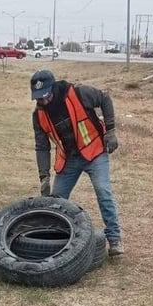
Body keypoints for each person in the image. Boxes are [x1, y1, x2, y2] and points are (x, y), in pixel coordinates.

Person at [30, 69, 123, 255]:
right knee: (56, 200)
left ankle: (114, 238)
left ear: (53, 88)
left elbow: (104, 98)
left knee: (103, 191)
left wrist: (111, 130)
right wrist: (44, 176)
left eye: (45, 96)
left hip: (94, 151)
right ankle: (54, 239)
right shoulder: (38, 115)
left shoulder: (79, 93)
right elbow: (42, 147)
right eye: (38, 98)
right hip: (69, 159)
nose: (43, 101)